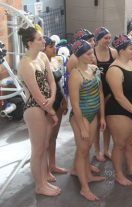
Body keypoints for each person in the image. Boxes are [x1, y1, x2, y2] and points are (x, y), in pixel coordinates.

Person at [18, 27, 60, 196]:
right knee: (38, 149)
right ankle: (40, 185)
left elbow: (52, 81)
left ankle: (43, 181)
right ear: (30, 43)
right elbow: (36, 94)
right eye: (40, 39)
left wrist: (52, 100)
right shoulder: (26, 64)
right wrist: (51, 110)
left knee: (44, 147)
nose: (44, 41)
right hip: (34, 108)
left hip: (46, 105)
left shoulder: (42, 57)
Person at [106, 34, 132, 186]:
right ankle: (118, 174)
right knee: (120, 144)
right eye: (131, 49)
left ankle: (131, 169)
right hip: (119, 111)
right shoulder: (114, 69)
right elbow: (119, 96)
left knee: (131, 142)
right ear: (121, 51)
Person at [69, 39, 106, 201]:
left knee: (87, 147)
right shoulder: (75, 76)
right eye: (88, 53)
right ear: (79, 56)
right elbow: (75, 105)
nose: (92, 56)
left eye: (92, 52)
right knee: (83, 151)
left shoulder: (94, 69)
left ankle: (88, 176)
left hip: (93, 114)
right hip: (81, 116)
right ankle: (84, 188)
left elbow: (100, 94)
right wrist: (82, 127)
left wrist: (102, 116)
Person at [43, 36, 68, 180]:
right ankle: (45, 170)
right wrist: (49, 108)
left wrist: (64, 99)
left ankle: (52, 165)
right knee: (46, 139)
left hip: (58, 101)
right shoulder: (40, 65)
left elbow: (59, 83)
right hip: (48, 104)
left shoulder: (53, 61)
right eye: (51, 46)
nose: (55, 49)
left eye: (54, 46)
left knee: (53, 137)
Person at [93, 27, 118, 162]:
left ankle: (107, 149)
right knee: (97, 123)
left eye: (109, 38)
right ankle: (97, 150)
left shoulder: (113, 52)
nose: (108, 41)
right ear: (98, 40)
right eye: (105, 38)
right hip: (96, 91)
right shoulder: (92, 54)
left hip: (110, 91)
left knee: (107, 122)